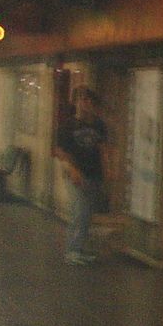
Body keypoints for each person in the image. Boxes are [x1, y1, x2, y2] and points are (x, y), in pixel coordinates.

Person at [53, 86, 109, 264]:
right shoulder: (68, 125)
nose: (86, 104)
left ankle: (79, 248)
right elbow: (61, 150)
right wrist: (72, 169)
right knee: (79, 210)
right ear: (75, 102)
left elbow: (102, 147)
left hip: (94, 173)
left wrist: (108, 168)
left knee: (87, 213)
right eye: (82, 100)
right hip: (75, 173)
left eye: (89, 100)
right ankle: (71, 251)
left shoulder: (99, 125)